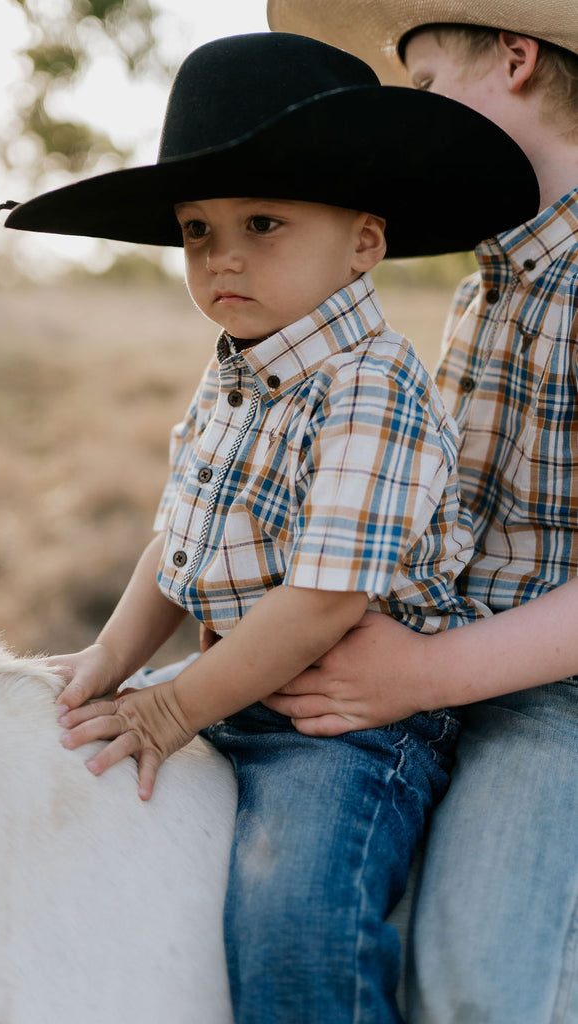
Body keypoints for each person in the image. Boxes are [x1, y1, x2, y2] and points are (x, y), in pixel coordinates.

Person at [2, 31, 537, 1024]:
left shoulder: (370, 386)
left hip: (342, 722)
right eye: (197, 230)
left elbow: (323, 599)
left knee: (292, 909)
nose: (222, 257)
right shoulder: (238, 367)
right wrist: (109, 663)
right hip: (229, 677)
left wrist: (171, 710)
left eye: (261, 222)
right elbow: (180, 538)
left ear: (363, 242)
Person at [266, 3, 578, 1021]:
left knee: (477, 986)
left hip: (553, 696)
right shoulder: (488, 285)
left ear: (516, 62)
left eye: (425, 85)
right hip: (447, 645)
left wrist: (419, 672)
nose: (413, 119)